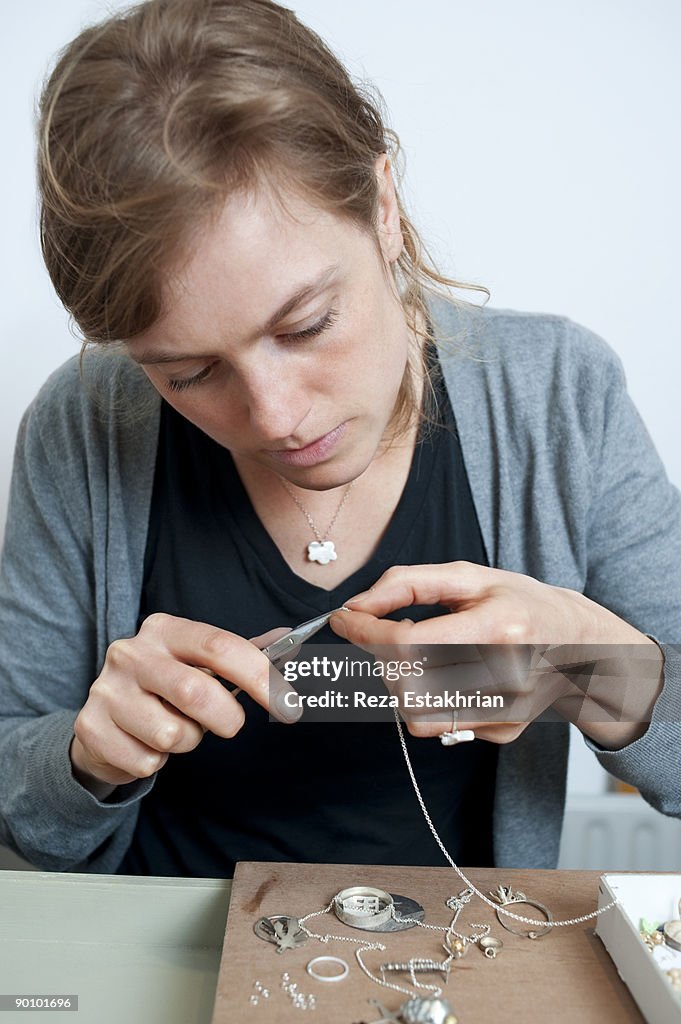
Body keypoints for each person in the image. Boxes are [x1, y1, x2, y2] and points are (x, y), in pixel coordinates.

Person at [1, 0, 680, 879]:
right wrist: (86, 758)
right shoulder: (84, 421)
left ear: (384, 205)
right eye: (189, 374)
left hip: (459, 964)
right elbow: (22, 805)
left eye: (308, 324)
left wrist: (583, 668)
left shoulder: (559, 393)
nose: (278, 418)